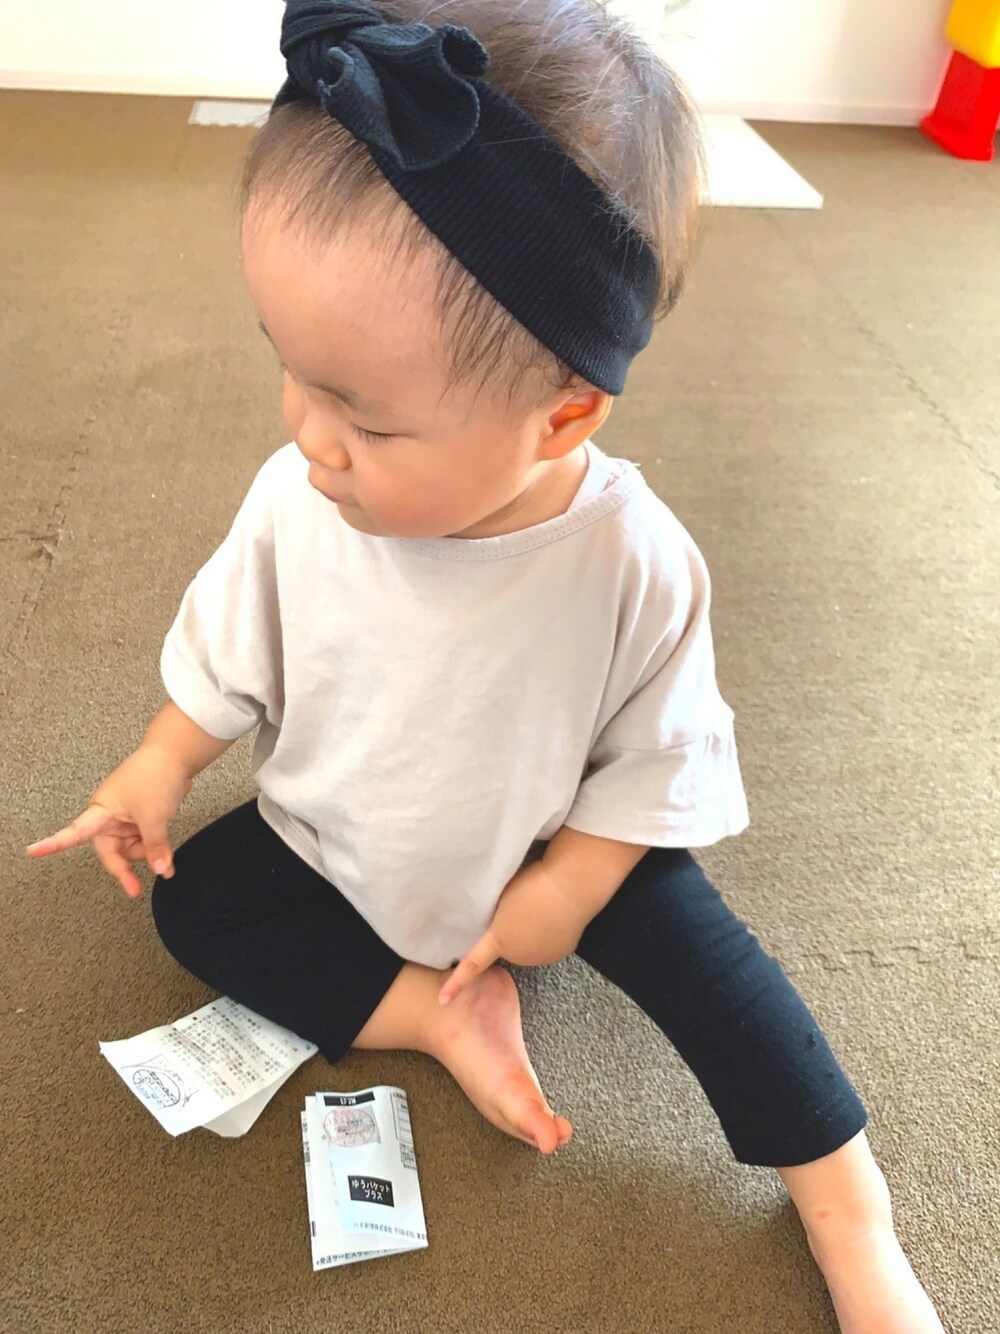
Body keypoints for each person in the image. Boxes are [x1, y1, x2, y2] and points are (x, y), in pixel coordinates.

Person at [27, 3, 944, 1329]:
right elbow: (233, 648)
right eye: (292, 371)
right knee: (192, 911)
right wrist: (161, 762)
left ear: (562, 415)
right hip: (342, 829)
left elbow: (662, 755)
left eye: (368, 418)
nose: (309, 436)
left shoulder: (632, 560)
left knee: (717, 973)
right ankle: (434, 1012)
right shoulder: (298, 498)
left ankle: (846, 1199)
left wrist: (570, 883)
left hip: (541, 842)